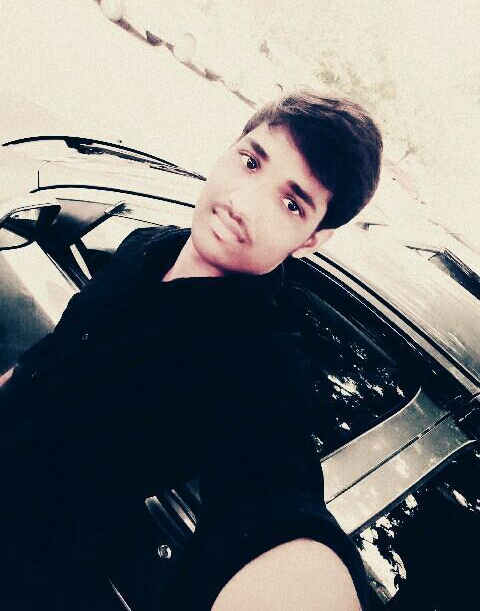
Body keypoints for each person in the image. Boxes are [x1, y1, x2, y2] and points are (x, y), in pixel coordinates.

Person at [0, 89, 382, 610]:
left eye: (291, 203)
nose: (243, 203)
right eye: (251, 162)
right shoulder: (145, 246)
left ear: (312, 239)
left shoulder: (258, 361)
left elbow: (276, 493)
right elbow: (48, 362)